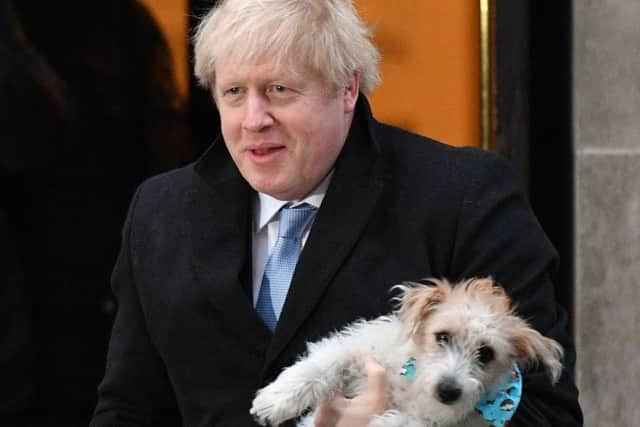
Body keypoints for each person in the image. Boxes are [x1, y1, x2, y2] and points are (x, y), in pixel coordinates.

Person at [90, 0, 582, 426]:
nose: (253, 120)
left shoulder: (463, 195)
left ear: (347, 89)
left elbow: (545, 413)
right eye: (234, 92)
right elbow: (130, 409)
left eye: (280, 90)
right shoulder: (161, 212)